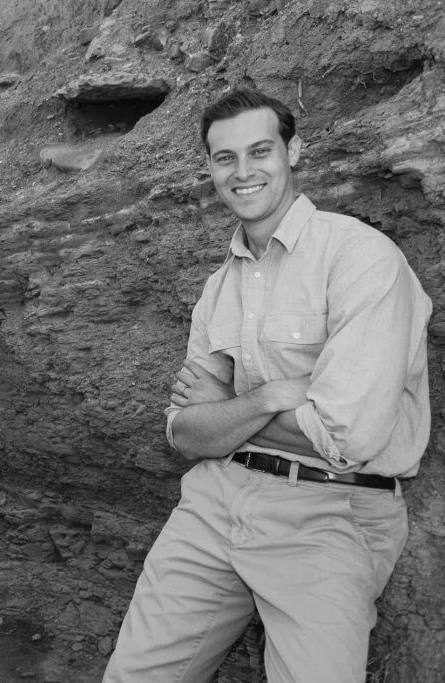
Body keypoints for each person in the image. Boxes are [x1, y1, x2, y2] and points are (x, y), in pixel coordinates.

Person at [102, 89, 432, 683]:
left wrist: (228, 410)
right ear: (210, 168)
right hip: (215, 498)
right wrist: (272, 396)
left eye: (260, 151)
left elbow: (346, 434)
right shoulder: (217, 288)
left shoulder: (361, 260)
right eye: (225, 158)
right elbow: (187, 433)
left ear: (293, 151)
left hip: (331, 509)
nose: (243, 171)